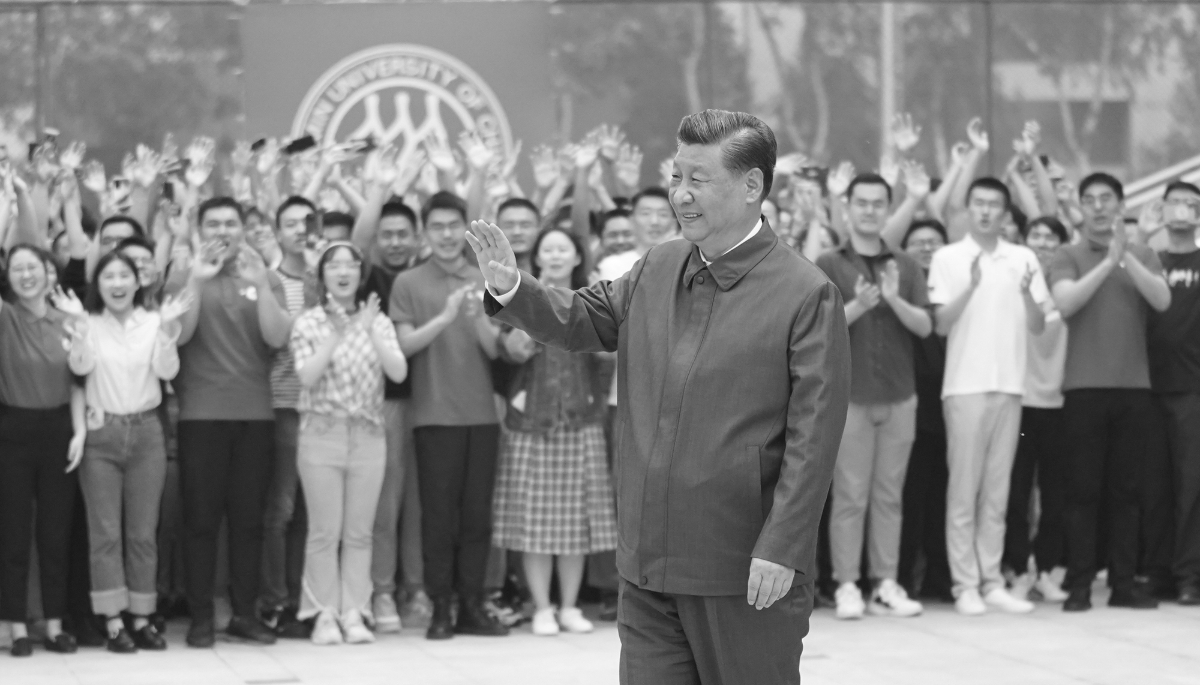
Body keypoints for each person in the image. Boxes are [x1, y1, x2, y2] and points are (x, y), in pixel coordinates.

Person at [469, 109, 850, 684]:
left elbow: (814, 438)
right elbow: (583, 319)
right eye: (677, 177)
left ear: (752, 186)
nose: (681, 195)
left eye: (699, 179)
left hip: (744, 571)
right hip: (647, 566)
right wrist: (512, 289)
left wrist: (781, 546)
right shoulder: (659, 264)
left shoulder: (805, 293)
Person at [165, 197, 292, 648]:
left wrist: (260, 281)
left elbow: (278, 338)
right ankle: (201, 618)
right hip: (201, 416)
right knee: (200, 521)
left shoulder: (264, 276)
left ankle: (245, 614)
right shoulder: (182, 277)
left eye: (231, 223)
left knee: (249, 522)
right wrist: (197, 281)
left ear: (244, 229)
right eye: (213, 223)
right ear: (199, 230)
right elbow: (178, 337)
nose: (223, 230)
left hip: (255, 416)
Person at [388, 191, 508, 640]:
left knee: (477, 516)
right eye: (435, 227)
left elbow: (496, 348)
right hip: (433, 416)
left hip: (480, 416)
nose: (444, 235)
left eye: (452, 226)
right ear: (425, 232)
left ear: (465, 229)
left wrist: (477, 314)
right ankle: (440, 606)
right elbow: (403, 347)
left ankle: (472, 605)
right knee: (437, 517)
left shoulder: (485, 275)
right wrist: (444, 316)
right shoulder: (408, 282)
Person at [1050, 173, 1172, 612]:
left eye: (1106, 199)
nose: (1098, 207)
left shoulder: (1143, 253)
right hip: (1084, 387)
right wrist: (1106, 263)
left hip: (1133, 388)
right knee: (1082, 490)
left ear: (1121, 205)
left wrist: (1126, 258)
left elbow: (1161, 300)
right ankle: (1080, 584)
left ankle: (1123, 584)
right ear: (1080, 208)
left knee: (1128, 491)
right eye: (1089, 200)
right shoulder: (1067, 254)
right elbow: (1065, 303)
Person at [928, 177, 1047, 616]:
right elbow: (940, 324)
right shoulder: (948, 257)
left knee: (998, 493)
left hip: (1011, 385)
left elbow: (1038, 325)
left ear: (1005, 212)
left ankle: (992, 579)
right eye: (978, 203)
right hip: (964, 387)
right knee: (963, 491)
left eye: (994, 205)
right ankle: (965, 585)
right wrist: (972, 285)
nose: (985, 211)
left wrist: (1026, 296)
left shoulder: (1024, 258)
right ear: (967, 209)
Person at [491, 227, 618, 636]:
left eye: (565, 248)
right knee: (534, 523)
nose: (557, 255)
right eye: (550, 248)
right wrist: (529, 327)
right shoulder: (522, 296)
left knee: (576, 523)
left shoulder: (594, 298)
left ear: (576, 255)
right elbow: (510, 351)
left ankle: (568, 606)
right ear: (538, 257)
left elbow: (609, 356)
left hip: (581, 420)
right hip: (531, 424)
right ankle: (542, 606)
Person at [816, 174, 931, 620]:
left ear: (888, 207)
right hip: (850, 397)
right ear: (847, 208)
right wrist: (862, 304)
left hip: (900, 394)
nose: (869, 210)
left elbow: (926, 326)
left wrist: (892, 299)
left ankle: (886, 582)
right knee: (850, 494)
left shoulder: (904, 262)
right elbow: (818, 328)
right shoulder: (828, 260)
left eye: (878, 203)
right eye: (861, 203)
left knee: (890, 495)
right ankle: (846, 584)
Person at [63, 251, 190, 653]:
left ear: (138, 282)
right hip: (102, 434)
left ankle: (141, 617)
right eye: (108, 277)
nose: (117, 284)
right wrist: (81, 329)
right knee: (104, 534)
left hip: (147, 432)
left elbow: (168, 372)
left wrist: (168, 331)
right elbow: (79, 368)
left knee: (142, 534)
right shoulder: (87, 322)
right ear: (98, 285)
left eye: (124, 276)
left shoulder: (153, 322)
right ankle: (113, 620)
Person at [290, 242, 408, 645]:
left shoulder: (377, 319)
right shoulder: (308, 322)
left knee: (360, 532)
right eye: (333, 266)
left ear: (360, 273)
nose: (342, 272)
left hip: (369, 434)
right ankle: (323, 613)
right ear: (321, 275)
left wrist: (371, 330)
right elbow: (306, 376)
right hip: (322, 433)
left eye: (350, 265)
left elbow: (397, 370)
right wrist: (336, 335)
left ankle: (355, 610)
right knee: (324, 531)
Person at [0, 245, 87, 657]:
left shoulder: (67, 320)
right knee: (13, 534)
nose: (26, 275)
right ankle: (15, 626)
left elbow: (77, 381)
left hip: (59, 429)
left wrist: (79, 431)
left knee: (56, 532)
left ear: (48, 273)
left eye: (32, 266)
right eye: (17, 269)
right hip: (12, 429)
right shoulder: (5, 317)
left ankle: (54, 624)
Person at [353, 197, 431, 631]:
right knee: (387, 502)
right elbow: (357, 242)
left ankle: (416, 588)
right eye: (388, 235)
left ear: (418, 237)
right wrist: (376, 189)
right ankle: (382, 591)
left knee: (421, 503)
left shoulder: (427, 272)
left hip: (432, 398)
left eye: (404, 234)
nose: (396, 242)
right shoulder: (368, 276)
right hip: (385, 401)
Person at [1002, 216, 1070, 603]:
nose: (1043, 242)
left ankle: (1046, 570)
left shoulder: (1068, 288)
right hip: (1020, 399)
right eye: (1036, 236)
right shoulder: (1013, 284)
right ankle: (1018, 569)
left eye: (1051, 237)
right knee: (1016, 493)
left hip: (1060, 402)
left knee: (1055, 494)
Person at [260, 196, 317, 639]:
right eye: (291, 222)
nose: (300, 229)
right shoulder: (270, 280)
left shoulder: (329, 275)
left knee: (311, 514)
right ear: (277, 233)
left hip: (327, 409)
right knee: (280, 509)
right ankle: (276, 601)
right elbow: (276, 338)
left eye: (308, 222)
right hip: (284, 406)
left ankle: (304, 600)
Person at [1148, 180, 1200, 606]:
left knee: (1191, 486)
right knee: (1153, 485)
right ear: (1161, 210)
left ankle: (1189, 576)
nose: (1181, 211)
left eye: (1190, 204)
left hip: (1191, 389)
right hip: (1145, 386)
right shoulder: (1150, 260)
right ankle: (1158, 570)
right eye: (1175, 204)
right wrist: (1143, 238)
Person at [896, 220, 953, 601]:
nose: (927, 248)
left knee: (941, 500)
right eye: (917, 242)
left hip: (950, 409)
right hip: (908, 407)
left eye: (934, 242)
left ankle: (939, 579)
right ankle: (901, 579)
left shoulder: (957, 286)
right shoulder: (899, 287)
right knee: (908, 499)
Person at [496, 197, 541, 272]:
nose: (517, 232)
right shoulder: (484, 272)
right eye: (508, 226)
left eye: (525, 225)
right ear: (496, 228)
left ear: (539, 228)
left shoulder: (556, 275)